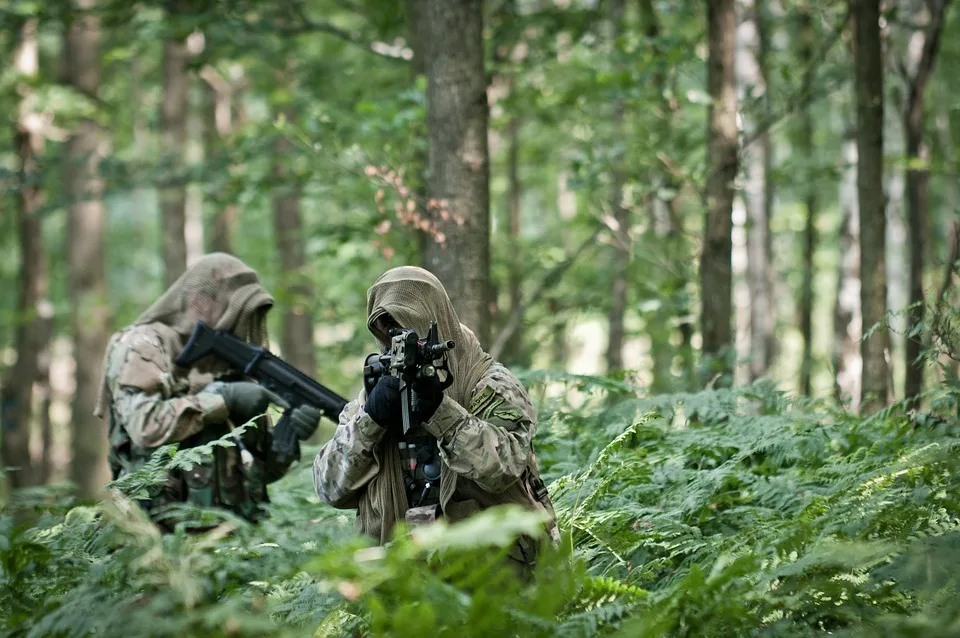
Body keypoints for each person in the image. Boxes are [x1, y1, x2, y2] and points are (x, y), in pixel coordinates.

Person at [313, 266, 558, 570]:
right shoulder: (374, 393)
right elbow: (329, 487)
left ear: (434, 320)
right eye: (387, 327)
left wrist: (441, 413)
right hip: (403, 577)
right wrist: (371, 419)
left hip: (489, 574)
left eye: (406, 324)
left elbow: (504, 466)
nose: (397, 337)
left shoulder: (488, 384)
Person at [94, 253, 322, 527]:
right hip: (155, 535)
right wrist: (223, 399)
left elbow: (255, 471)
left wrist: (287, 439)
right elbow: (145, 425)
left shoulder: (229, 362)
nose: (241, 322)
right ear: (197, 300)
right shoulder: (143, 345)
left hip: (231, 537)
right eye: (233, 309)